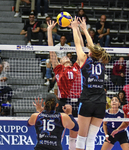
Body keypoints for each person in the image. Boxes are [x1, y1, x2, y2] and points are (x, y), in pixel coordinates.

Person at [71, 17, 110, 150]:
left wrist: (75, 29)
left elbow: (77, 44)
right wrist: (85, 30)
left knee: (81, 138)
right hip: (100, 102)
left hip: (87, 100)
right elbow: (92, 46)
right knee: (91, 139)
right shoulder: (102, 62)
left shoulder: (84, 60)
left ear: (91, 52)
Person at [47, 20, 82, 150]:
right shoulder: (58, 69)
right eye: (62, 57)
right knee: (59, 132)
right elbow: (51, 50)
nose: (65, 57)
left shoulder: (76, 67)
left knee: (75, 132)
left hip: (77, 102)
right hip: (63, 102)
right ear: (60, 61)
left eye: (66, 56)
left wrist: (76, 29)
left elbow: (80, 48)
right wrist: (49, 30)